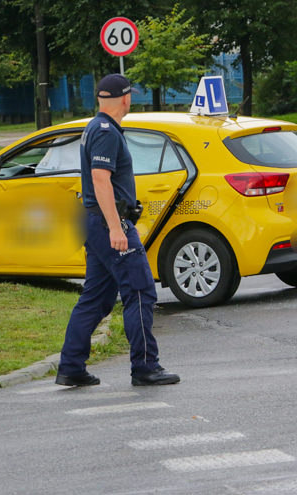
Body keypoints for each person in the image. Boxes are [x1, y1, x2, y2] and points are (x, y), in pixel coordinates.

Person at [55, 74, 180, 387]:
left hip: (95, 221)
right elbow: (100, 179)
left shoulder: (95, 127)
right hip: (109, 223)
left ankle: (71, 366)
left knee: (96, 298)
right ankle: (145, 367)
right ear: (124, 98)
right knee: (140, 291)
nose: (130, 101)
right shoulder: (107, 132)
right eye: (130, 97)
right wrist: (115, 227)